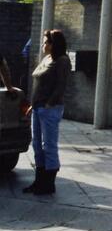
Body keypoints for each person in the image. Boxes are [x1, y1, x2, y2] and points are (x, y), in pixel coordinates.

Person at [23, 29, 70, 196]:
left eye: (45, 42)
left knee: (49, 145)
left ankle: (49, 183)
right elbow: (39, 83)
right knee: (36, 144)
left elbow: (61, 85)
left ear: (53, 44)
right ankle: (39, 181)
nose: (43, 45)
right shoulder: (46, 58)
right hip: (38, 107)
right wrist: (33, 104)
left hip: (50, 108)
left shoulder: (62, 60)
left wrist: (50, 103)